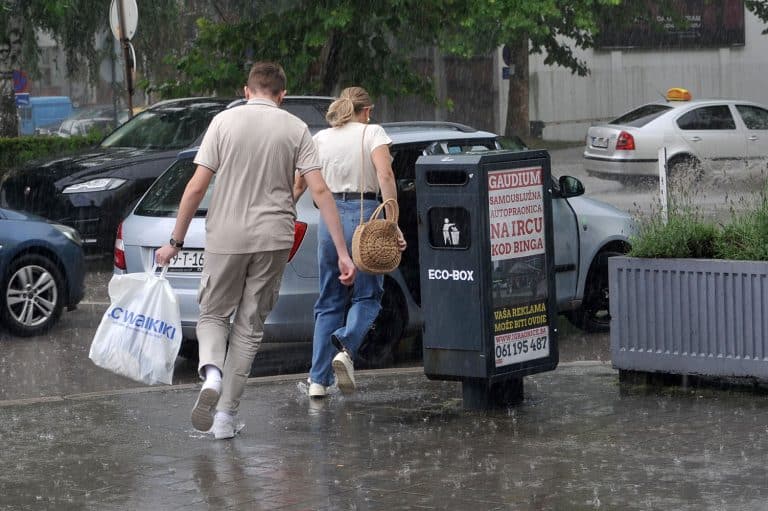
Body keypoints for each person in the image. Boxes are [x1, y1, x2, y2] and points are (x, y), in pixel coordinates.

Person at [155, 62, 355, 439]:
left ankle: (211, 373)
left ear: (246, 92)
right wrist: (343, 252)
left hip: (227, 235)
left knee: (212, 314)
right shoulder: (296, 129)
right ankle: (226, 417)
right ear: (282, 95)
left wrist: (175, 242)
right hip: (274, 238)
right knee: (249, 329)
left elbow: (196, 187)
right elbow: (321, 191)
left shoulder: (223, 123)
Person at [294, 86, 406, 399]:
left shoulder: (319, 139)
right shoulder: (373, 133)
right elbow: (385, 175)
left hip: (328, 220)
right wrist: (393, 223)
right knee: (368, 295)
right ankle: (346, 346)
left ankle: (318, 381)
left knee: (329, 300)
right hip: (366, 216)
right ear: (367, 110)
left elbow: (299, 184)